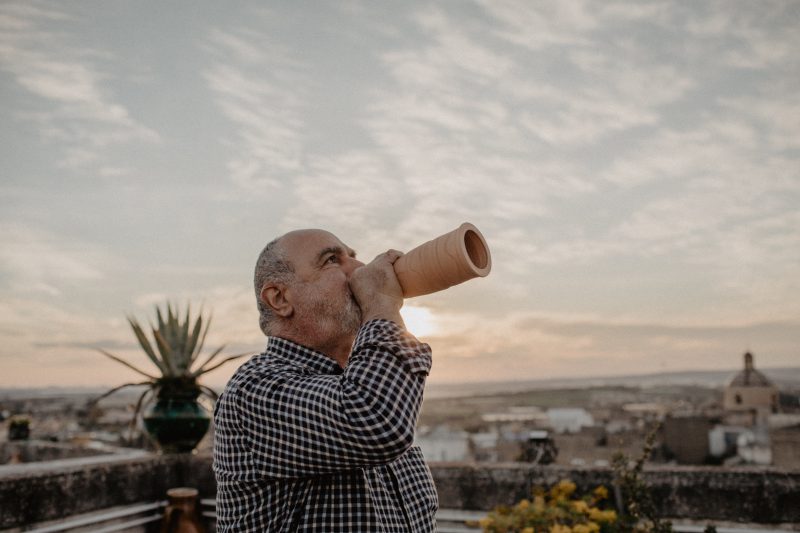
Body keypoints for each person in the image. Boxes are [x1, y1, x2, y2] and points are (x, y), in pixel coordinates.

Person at [213, 229, 438, 532]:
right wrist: (382, 303)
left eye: (354, 257)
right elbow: (374, 420)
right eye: (333, 260)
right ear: (279, 298)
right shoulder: (254, 390)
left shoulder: (368, 381)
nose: (360, 270)